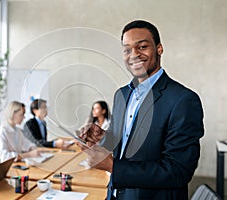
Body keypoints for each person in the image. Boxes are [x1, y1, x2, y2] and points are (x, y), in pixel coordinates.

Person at [78, 20, 204, 200]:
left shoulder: (183, 100)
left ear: (159, 49)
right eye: (127, 50)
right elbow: (123, 140)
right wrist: (101, 136)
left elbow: (178, 171)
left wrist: (113, 166)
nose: (134, 55)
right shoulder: (121, 95)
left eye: (142, 46)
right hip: (115, 194)